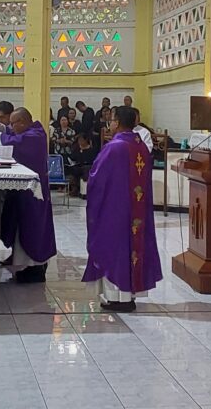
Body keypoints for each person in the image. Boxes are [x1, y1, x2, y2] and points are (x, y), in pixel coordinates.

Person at [82, 106, 162, 312]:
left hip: (115, 210)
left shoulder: (114, 147)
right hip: (136, 210)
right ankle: (129, 295)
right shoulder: (140, 146)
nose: (110, 123)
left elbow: (97, 178)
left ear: (117, 122)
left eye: (111, 120)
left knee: (115, 249)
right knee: (132, 248)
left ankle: (119, 298)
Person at [0, 107, 56, 283]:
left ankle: (34, 269)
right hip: (23, 190)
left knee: (32, 228)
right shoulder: (29, 131)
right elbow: (10, 134)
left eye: (13, 123)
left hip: (33, 193)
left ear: (22, 122)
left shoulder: (34, 136)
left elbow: (10, 142)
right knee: (19, 224)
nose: (11, 127)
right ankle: (20, 261)